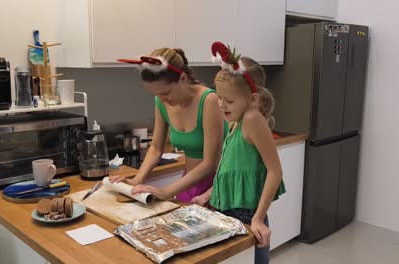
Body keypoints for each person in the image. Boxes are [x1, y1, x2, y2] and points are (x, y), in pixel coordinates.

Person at [203, 41, 286, 264]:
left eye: (228, 100)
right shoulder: (236, 121)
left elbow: (274, 171)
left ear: (252, 99)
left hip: (247, 215)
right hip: (227, 211)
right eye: (219, 97)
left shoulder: (251, 118)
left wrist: (258, 219)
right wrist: (208, 195)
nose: (221, 105)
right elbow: (230, 169)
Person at [111, 48, 227, 203]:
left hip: (217, 186)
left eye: (166, 93)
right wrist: (136, 181)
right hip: (188, 183)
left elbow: (210, 164)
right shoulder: (162, 101)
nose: (162, 99)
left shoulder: (209, 100)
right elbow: (156, 148)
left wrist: (165, 191)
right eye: (156, 94)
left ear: (183, 78)